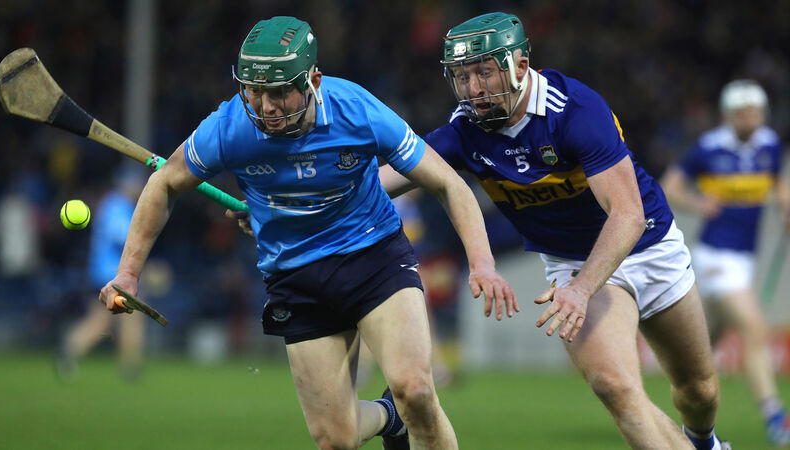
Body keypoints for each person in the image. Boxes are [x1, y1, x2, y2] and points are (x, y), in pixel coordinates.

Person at [98, 16, 518, 450]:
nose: (266, 107)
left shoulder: (356, 110)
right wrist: (128, 273)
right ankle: (390, 417)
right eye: (254, 91)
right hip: (297, 277)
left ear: (313, 81)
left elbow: (447, 182)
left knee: (416, 391)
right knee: (337, 440)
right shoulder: (229, 127)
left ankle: (405, 408)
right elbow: (164, 183)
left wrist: (482, 263)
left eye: (279, 92)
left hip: (374, 258)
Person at [380, 12, 727, 450]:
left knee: (699, 391)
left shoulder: (575, 111)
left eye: (483, 72)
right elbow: (385, 179)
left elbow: (628, 216)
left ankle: (705, 441)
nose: (473, 89)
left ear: (520, 66)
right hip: (572, 262)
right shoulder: (464, 131)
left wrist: (580, 291)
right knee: (613, 384)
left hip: (647, 244)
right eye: (462, 76)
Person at [661, 79, 790, 446]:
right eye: (743, 112)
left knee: (698, 354)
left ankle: (679, 414)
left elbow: (778, 181)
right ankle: (775, 418)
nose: (751, 118)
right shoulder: (708, 147)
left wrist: (785, 204)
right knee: (754, 328)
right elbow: (669, 186)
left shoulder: (769, 144)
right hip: (715, 255)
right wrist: (699, 204)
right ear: (729, 115)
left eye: (756, 111)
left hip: (745, 258)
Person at [57, 165, 146, 381]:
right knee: (130, 319)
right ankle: (130, 367)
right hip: (113, 274)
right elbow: (121, 237)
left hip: (106, 273)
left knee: (101, 321)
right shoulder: (117, 204)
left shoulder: (116, 204)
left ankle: (69, 352)